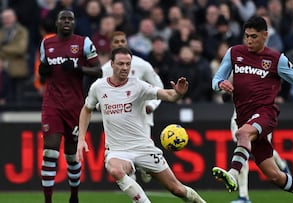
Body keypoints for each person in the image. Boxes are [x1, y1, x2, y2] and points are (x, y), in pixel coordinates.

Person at [211, 16, 293, 203]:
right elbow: (215, 80)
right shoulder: (234, 53)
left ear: (265, 35)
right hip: (243, 117)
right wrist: (220, 83)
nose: (249, 41)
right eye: (246, 36)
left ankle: (232, 173)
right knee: (274, 176)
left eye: (254, 36)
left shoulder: (276, 59)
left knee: (242, 134)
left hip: (265, 114)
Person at [76, 47, 206, 203]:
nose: (125, 68)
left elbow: (168, 96)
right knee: (115, 170)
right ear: (111, 64)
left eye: (128, 64)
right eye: (120, 64)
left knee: (177, 189)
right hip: (118, 150)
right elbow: (87, 109)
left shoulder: (138, 86)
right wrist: (81, 138)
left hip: (143, 147)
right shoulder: (98, 87)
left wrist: (178, 93)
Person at [38, 10, 102, 203]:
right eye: (63, 19)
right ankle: (48, 201)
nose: (67, 21)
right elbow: (42, 73)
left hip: (75, 106)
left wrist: (78, 69)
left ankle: (74, 195)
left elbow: (98, 71)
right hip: (52, 104)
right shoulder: (46, 43)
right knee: (50, 151)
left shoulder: (84, 43)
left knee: (72, 156)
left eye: (70, 19)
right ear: (57, 23)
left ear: (74, 23)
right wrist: (43, 71)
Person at [102, 31, 164, 183]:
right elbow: (100, 93)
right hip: (119, 120)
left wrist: (152, 105)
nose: (120, 44)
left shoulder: (142, 65)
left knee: (142, 152)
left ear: (127, 43)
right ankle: (133, 176)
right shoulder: (105, 69)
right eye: (116, 42)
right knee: (125, 158)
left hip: (141, 117)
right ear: (111, 45)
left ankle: (144, 167)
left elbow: (159, 86)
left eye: (122, 41)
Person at [229, 110, 291, 203]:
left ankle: (282, 165)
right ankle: (243, 196)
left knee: (265, 150)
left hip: (259, 115)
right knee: (241, 148)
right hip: (240, 114)